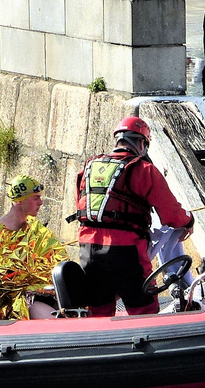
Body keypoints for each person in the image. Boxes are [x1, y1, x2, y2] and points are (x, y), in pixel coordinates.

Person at [74, 116, 194, 318]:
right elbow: (171, 213)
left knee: (98, 311)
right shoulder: (144, 170)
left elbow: (82, 205)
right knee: (143, 310)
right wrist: (188, 221)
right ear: (141, 143)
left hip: (88, 250)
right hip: (127, 251)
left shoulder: (88, 167)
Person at [0, 175, 65, 321]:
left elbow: (58, 259)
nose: (41, 202)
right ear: (19, 201)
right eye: (35, 198)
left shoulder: (35, 230)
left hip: (38, 295)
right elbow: (3, 276)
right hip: (4, 302)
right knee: (47, 317)